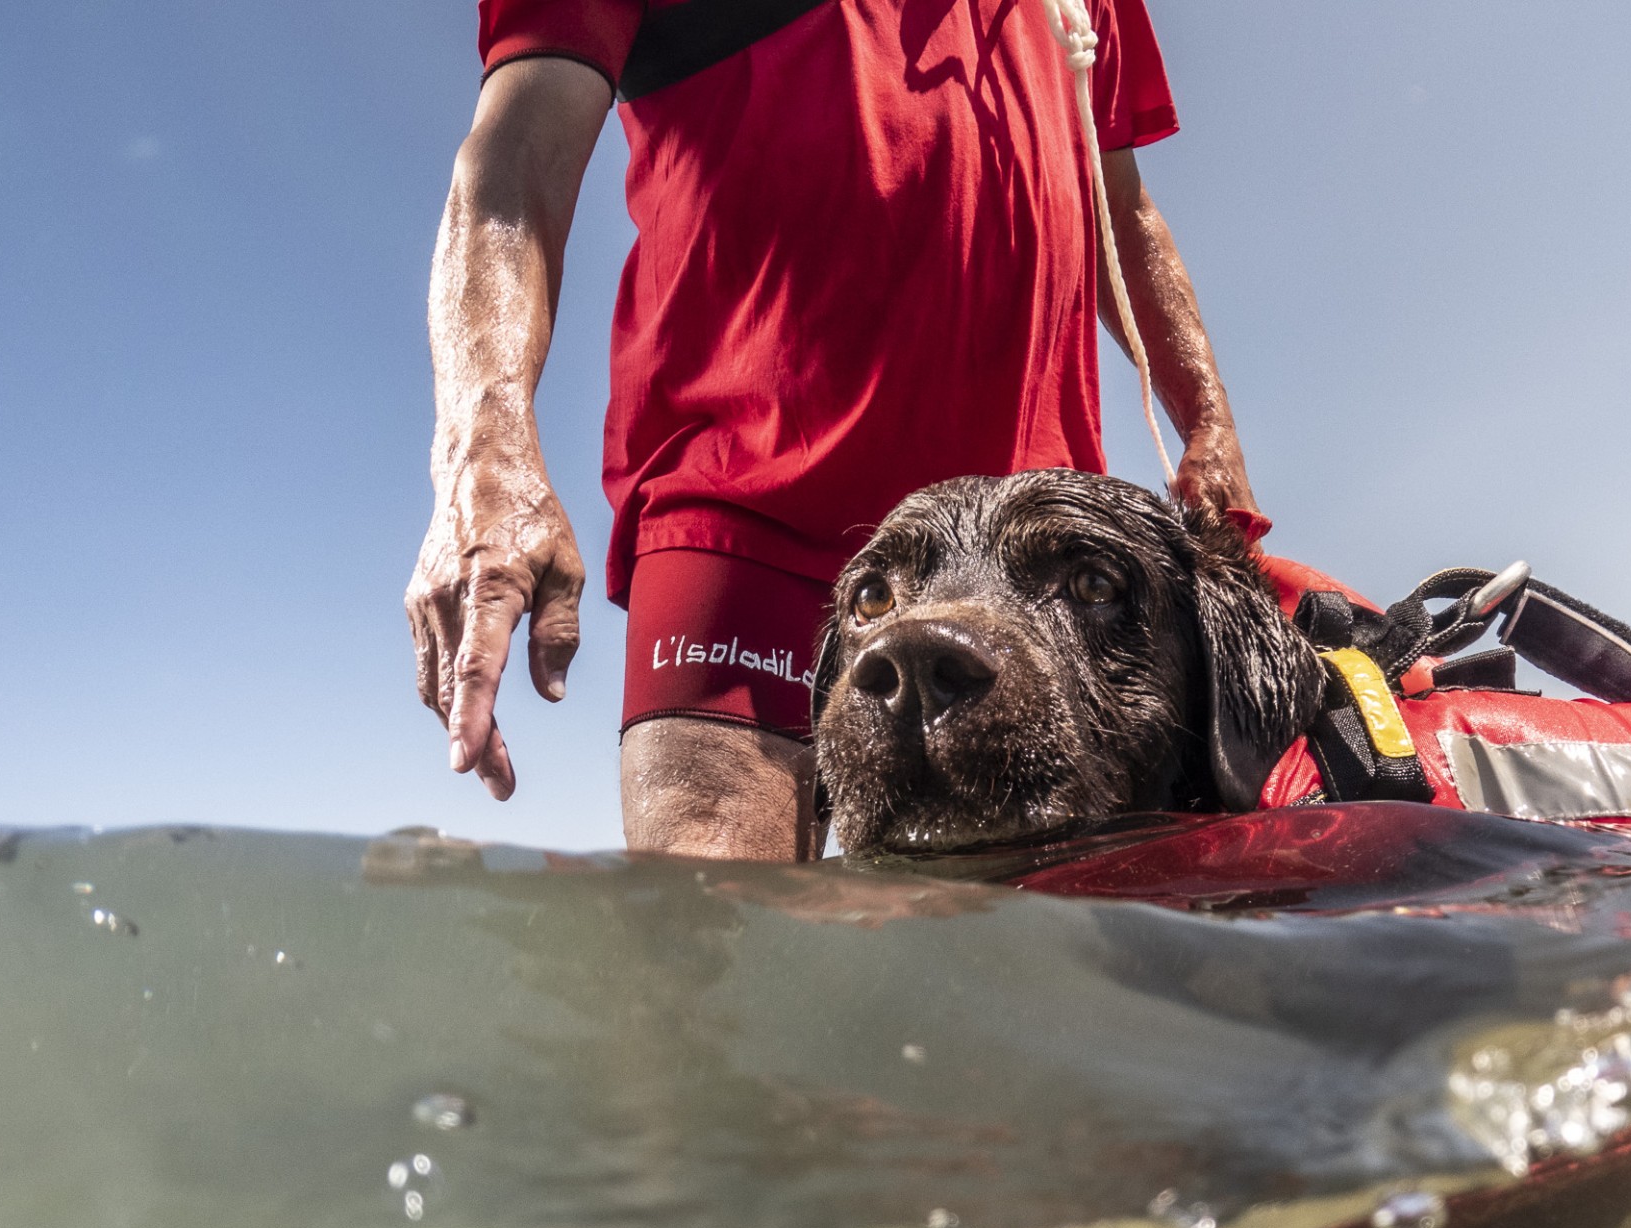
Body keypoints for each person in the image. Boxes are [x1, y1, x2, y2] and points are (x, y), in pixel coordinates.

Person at [405, 0, 1261, 859]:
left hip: (1036, 571)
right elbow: (512, 162)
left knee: (1054, 980)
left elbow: (1122, 204)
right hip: (743, 515)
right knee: (715, 963)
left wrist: (1210, 425)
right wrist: (485, 452)